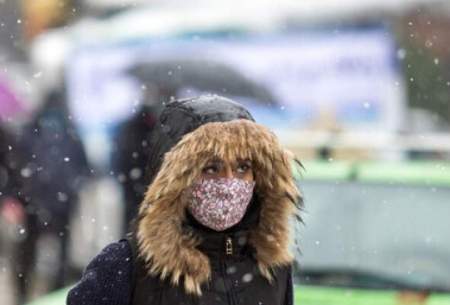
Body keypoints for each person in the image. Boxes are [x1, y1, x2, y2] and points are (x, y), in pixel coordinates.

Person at [67, 95, 303, 305]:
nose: (229, 183)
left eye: (242, 167)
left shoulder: (272, 268)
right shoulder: (126, 265)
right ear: (177, 181)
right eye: (211, 168)